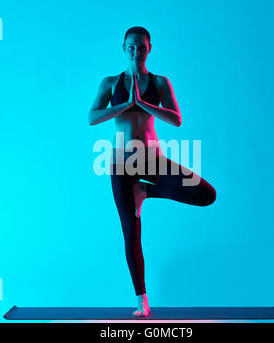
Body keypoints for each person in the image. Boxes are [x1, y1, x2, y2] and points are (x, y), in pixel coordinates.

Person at [88, 26, 216, 317]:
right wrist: (124, 104)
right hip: (121, 163)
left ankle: (146, 189)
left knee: (205, 193)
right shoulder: (110, 83)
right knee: (130, 232)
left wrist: (143, 104)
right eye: (131, 47)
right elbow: (92, 117)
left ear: (149, 49)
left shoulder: (159, 82)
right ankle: (141, 301)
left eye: (141, 47)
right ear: (124, 48)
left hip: (151, 158)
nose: (136, 51)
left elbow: (177, 120)